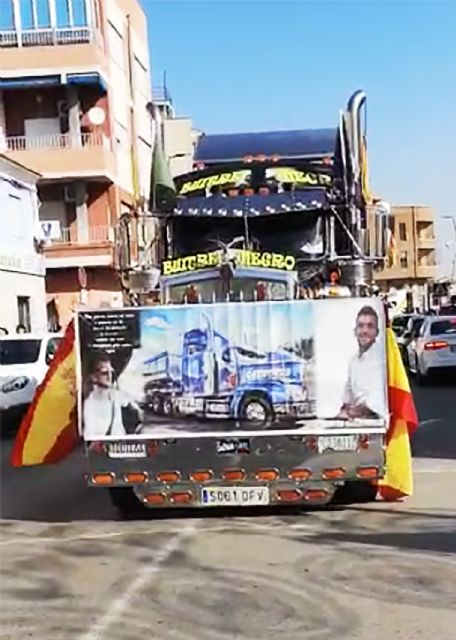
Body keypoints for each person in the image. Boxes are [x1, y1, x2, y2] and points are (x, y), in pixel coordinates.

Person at [337, 305, 386, 420]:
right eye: (360, 326)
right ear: (355, 331)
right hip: (356, 421)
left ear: (377, 332)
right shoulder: (353, 361)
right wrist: (343, 410)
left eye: (370, 326)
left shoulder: (381, 358)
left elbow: (373, 402)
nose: (364, 331)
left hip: (375, 421)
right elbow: (348, 392)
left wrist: (350, 412)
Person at [83, 352, 142, 438]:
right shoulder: (90, 404)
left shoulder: (116, 395)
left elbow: (135, 405)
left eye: (111, 372)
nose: (110, 376)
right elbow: (91, 437)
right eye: (105, 373)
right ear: (93, 376)